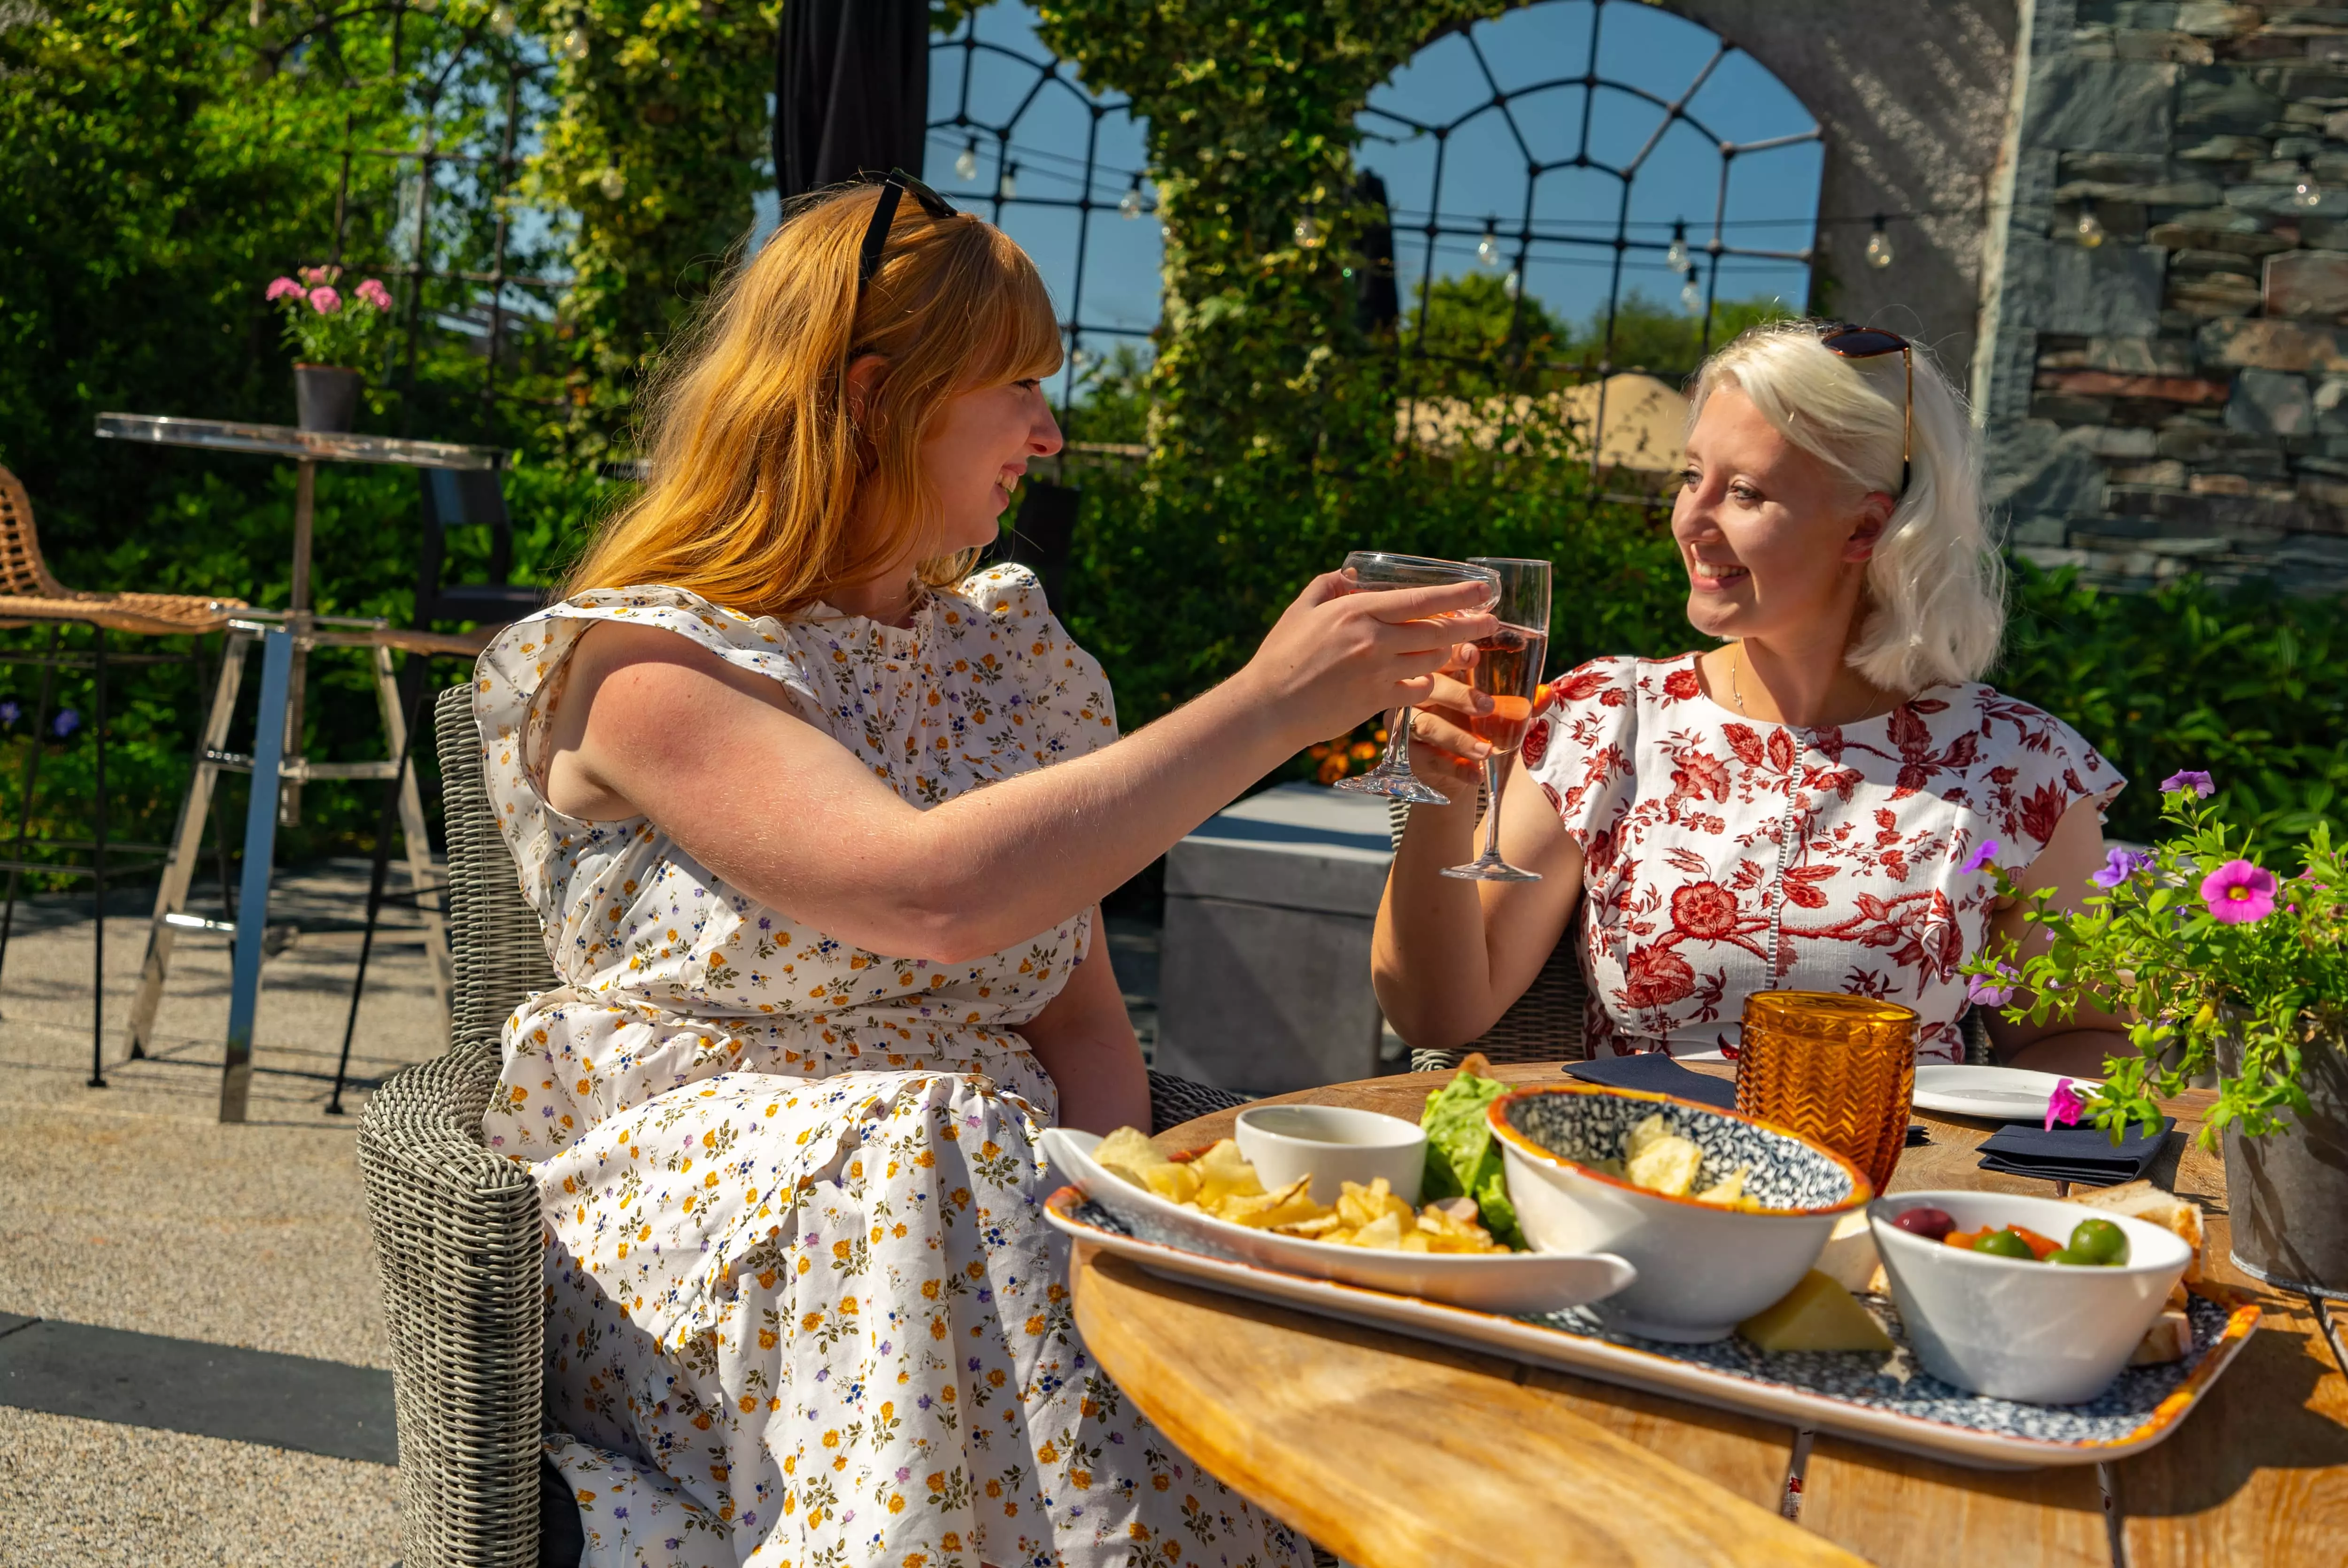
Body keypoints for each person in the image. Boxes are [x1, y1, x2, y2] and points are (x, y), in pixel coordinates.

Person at [473, 175, 1492, 1568]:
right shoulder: (651, 665)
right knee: (921, 1148)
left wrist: (1118, 1214)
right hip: (710, 1237)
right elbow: (928, 895)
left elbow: (1078, 1019)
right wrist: (1264, 707)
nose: (1049, 429)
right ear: (875, 398)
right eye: (1016, 385)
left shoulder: (1006, 656)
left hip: (986, 1212)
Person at [1374, 319, 2130, 1074]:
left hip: (1889, 1182)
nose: (1690, 522)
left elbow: (2077, 1037)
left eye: (1744, 491)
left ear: (1866, 528)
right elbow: (1438, 1012)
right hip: (1636, 1170)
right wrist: (1440, 796)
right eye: (1689, 476)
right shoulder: (1608, 718)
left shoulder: (2016, 765)